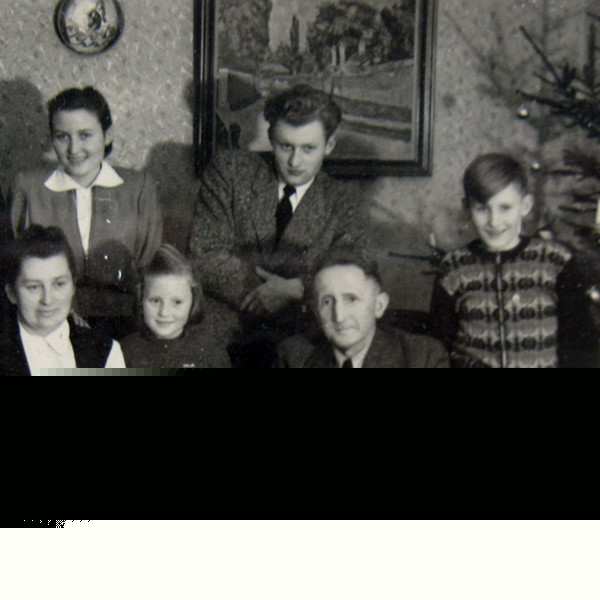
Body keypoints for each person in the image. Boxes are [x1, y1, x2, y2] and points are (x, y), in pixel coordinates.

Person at [189, 84, 368, 366]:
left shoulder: (345, 201)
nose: (295, 161)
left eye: (309, 149)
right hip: (226, 319)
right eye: (286, 147)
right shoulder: (230, 172)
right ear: (271, 138)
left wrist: (297, 290)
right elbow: (205, 254)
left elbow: (352, 274)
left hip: (304, 328)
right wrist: (267, 292)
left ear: (329, 145)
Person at [7, 86, 163, 340]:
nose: (74, 148)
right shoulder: (28, 187)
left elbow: (149, 267)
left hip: (124, 323)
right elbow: (13, 268)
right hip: (49, 320)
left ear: (107, 135)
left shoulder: (139, 187)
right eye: (62, 136)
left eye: (85, 135)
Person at [430, 153, 599, 368]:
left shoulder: (556, 262)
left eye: (505, 208)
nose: (494, 221)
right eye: (482, 209)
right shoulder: (453, 268)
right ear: (467, 209)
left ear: (525, 205)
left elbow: (580, 346)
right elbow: (438, 346)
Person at [275, 248, 449, 368]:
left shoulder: (422, 358)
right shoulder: (294, 357)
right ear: (316, 311)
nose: (339, 316)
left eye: (351, 299)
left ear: (379, 306)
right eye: (327, 302)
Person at [0, 225, 126, 375]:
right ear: (12, 293)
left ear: (73, 286)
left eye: (59, 284)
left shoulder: (105, 352)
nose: (47, 300)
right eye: (34, 287)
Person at [120, 244, 231, 368]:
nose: (164, 312)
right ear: (141, 299)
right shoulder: (125, 351)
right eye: (155, 301)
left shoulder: (211, 351)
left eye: (177, 302)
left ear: (193, 302)